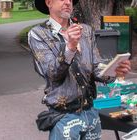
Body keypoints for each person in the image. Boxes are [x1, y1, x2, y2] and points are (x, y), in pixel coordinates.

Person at [28, 0, 131, 139]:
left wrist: (113, 71)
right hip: (64, 116)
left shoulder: (86, 30)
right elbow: (52, 73)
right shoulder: (38, 34)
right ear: (48, 2)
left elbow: (96, 68)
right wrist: (70, 47)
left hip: (91, 113)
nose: (67, 2)